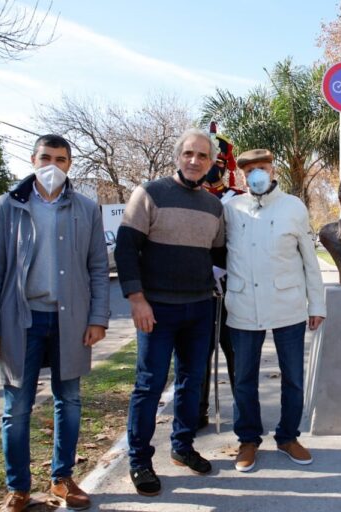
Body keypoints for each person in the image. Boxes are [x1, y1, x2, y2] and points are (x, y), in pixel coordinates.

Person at [0, 134, 110, 512]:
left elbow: (98, 268)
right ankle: (18, 489)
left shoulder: (85, 207)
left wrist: (98, 317)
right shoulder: (7, 206)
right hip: (21, 321)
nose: (53, 165)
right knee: (16, 407)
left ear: (69, 165)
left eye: (61, 159)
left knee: (70, 400)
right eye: (46, 157)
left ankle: (62, 478)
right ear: (33, 160)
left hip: (70, 321)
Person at [115, 128, 225, 496]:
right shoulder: (149, 194)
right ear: (177, 156)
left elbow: (218, 254)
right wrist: (136, 299)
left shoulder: (214, 206)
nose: (195, 161)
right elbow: (126, 250)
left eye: (203, 156)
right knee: (148, 386)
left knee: (191, 383)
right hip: (156, 310)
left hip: (199, 308)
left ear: (212, 163)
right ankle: (140, 460)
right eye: (189, 154)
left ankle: (182, 446)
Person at [224, 148, 326, 473]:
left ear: (272, 170)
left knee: (293, 378)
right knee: (244, 379)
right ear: (242, 175)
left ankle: (287, 437)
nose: (256, 173)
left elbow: (310, 260)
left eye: (262, 167)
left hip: (288, 305)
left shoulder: (293, 207)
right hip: (243, 306)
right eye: (249, 169)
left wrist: (317, 303)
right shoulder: (231, 209)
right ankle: (248, 440)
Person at [197, 122, 243, 429]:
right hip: (197, 288)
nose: (213, 167)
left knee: (237, 354)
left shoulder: (239, 198)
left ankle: (244, 414)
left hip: (235, 287)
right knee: (199, 355)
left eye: (219, 162)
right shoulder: (185, 195)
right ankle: (197, 411)